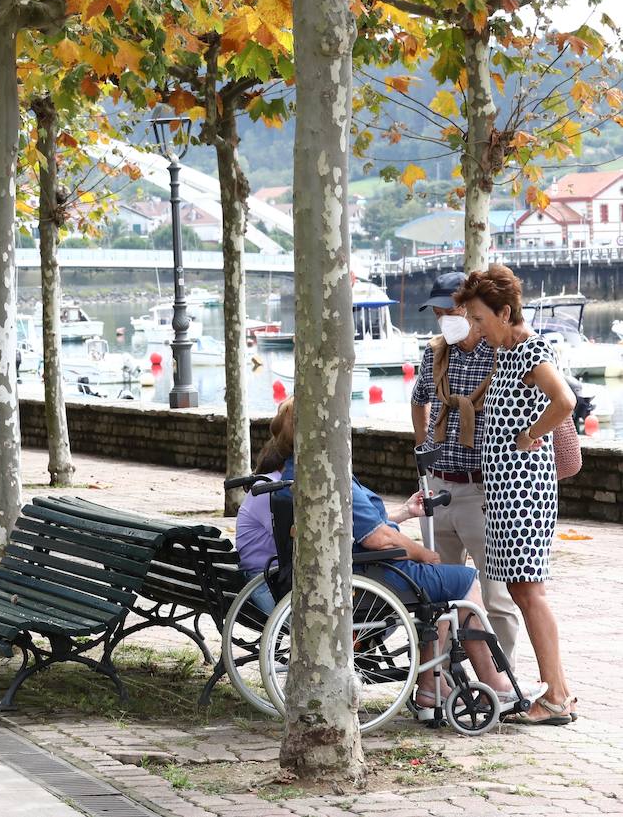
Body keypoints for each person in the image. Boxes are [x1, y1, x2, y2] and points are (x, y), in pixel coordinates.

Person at [235, 397, 522, 713]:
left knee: (441, 590)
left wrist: (402, 515)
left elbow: (357, 525)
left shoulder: (295, 475)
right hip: (360, 576)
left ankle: (433, 687)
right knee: (463, 581)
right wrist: (423, 554)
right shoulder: (331, 476)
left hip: (321, 574)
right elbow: (377, 538)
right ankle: (494, 686)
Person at [457, 264, 578, 725]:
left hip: (525, 489)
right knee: (521, 589)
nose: (475, 326)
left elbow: (563, 401)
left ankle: (557, 695)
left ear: (505, 313)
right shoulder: (504, 352)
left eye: (480, 318)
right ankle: (556, 691)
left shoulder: (531, 350)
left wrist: (531, 434)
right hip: (506, 489)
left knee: (529, 591)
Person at [409, 271, 519, 662]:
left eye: (449, 311)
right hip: (439, 487)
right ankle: (446, 675)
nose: (443, 320)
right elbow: (418, 398)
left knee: (497, 594)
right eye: (437, 313)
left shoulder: (500, 353)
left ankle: (503, 680)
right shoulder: (434, 353)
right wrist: (423, 442)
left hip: (482, 489)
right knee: (441, 591)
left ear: (470, 310)